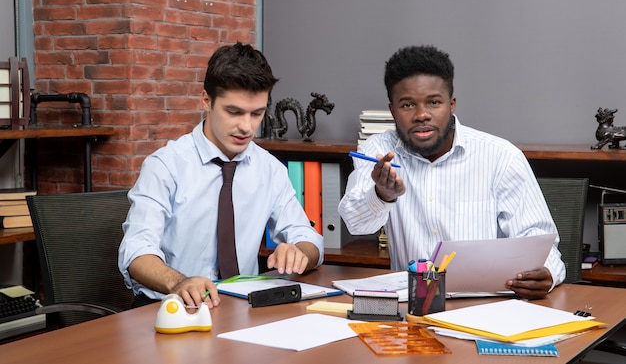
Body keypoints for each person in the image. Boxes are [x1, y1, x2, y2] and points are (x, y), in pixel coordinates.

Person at [338, 45, 565, 300]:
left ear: (451, 104)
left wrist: (547, 273)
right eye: (407, 104)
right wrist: (382, 195)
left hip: (489, 306)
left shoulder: (501, 156)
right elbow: (356, 224)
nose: (422, 114)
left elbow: (538, 241)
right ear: (392, 111)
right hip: (414, 310)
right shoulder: (378, 151)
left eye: (434, 102)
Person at [119, 42, 323, 308]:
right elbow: (136, 252)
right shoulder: (165, 166)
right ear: (206, 101)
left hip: (240, 308)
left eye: (257, 114)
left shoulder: (270, 169)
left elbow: (309, 239)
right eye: (234, 112)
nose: (246, 127)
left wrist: (299, 252)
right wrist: (180, 282)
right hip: (170, 309)